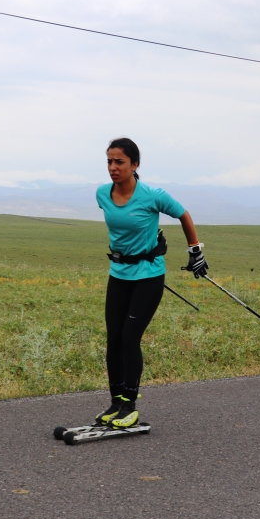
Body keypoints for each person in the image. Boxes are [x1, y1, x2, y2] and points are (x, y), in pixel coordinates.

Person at [95, 137, 207, 428]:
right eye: (109, 161)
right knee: (113, 339)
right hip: (118, 275)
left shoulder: (152, 195)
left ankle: (130, 405)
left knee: (130, 337)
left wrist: (195, 250)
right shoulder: (102, 194)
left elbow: (183, 214)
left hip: (148, 276)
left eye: (119, 161)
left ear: (135, 164)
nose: (113, 167)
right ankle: (115, 402)